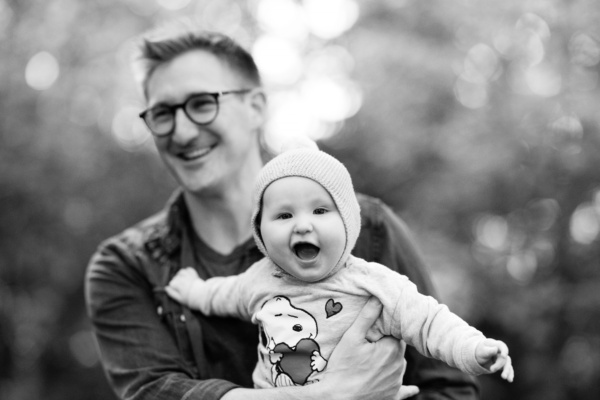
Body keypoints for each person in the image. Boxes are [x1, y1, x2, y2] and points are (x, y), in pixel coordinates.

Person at [85, 25, 483, 400]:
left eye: (202, 104)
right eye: (162, 113)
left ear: (256, 106)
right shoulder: (126, 266)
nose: (183, 131)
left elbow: (449, 388)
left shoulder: (368, 229)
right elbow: (155, 392)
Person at [165, 143, 515, 390]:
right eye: (284, 215)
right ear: (260, 231)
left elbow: (429, 322)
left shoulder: (372, 284)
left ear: (348, 222)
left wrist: (474, 349)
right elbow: (220, 294)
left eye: (320, 211)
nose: (303, 225)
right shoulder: (259, 280)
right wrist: (191, 289)